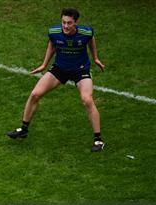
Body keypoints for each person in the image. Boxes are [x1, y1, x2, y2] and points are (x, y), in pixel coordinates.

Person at [6, 8, 106, 152]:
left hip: (80, 70)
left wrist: (95, 58)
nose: (65, 26)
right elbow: (51, 45)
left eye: (69, 23)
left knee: (87, 100)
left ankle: (98, 140)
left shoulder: (86, 32)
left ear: (76, 22)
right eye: (63, 22)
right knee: (35, 94)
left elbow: (91, 41)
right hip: (60, 69)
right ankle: (23, 129)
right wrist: (44, 64)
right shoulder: (54, 32)